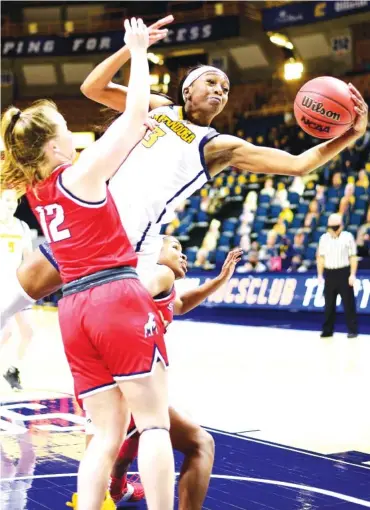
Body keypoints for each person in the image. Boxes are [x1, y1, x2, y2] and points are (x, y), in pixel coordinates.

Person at [1, 31, 368, 336]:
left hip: (127, 241)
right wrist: (132, 48)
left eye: (225, 90)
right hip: (91, 219)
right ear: (187, 90)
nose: (220, 91)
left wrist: (351, 135)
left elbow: (299, 164)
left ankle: (140, 414)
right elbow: (92, 87)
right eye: (212, 82)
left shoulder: (219, 146)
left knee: (119, 336)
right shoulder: (158, 107)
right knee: (17, 293)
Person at [1, 18, 175, 510]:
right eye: (66, 134)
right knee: (153, 422)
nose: (74, 140)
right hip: (114, 295)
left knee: (104, 432)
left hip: (73, 309)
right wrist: (138, 52)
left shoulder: (38, 191)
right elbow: (138, 114)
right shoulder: (79, 172)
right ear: (55, 146)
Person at [72, 239, 242, 508]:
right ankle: (113, 487)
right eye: (174, 247)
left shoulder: (162, 284)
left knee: (128, 436)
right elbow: (131, 299)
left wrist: (221, 279)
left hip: (103, 380)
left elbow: (182, 303)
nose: (182, 254)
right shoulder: (160, 273)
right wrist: (141, 315)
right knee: (199, 443)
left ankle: (115, 485)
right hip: (127, 381)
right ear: (154, 252)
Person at [0, 188, 33, 390]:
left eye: (15, 200)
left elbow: (28, 259)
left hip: (18, 287)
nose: (11, 204)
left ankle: (12, 370)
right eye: (7, 200)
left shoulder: (22, 227)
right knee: (7, 332)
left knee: (28, 332)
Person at [317, 213, 358, 338]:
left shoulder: (348, 237)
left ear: (341, 226)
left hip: (343, 272)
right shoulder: (324, 238)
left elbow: (353, 257)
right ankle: (328, 330)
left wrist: (352, 274)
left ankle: (352, 329)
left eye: (336, 227)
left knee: (348, 303)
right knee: (329, 304)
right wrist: (320, 275)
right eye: (331, 227)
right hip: (330, 273)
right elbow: (320, 258)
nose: (333, 230)